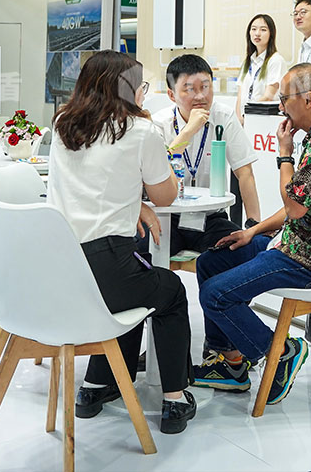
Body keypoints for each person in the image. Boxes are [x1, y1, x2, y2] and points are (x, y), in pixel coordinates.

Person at [193, 63, 311, 401]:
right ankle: (231, 362)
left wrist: (284, 154)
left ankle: (279, 351)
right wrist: (253, 232)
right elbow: (300, 204)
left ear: (308, 99)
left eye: (285, 99)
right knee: (211, 262)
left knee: (215, 295)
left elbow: (293, 206)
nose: (280, 107)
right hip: (296, 244)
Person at [47, 50, 197, 435]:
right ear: (128, 89)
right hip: (107, 267)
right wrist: (154, 189)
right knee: (168, 291)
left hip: (58, 269)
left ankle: (96, 385)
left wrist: (135, 204)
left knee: (136, 280)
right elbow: (166, 196)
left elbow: (86, 188)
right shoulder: (140, 130)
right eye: (140, 85)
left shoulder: (64, 124)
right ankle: (174, 398)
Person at [146, 55, 263, 258]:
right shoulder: (159, 124)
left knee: (243, 252)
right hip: (168, 216)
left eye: (205, 87)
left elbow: (244, 173)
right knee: (143, 252)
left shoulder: (224, 117)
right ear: (171, 95)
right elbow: (157, 170)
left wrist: (254, 227)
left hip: (211, 218)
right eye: (190, 89)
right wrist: (188, 131)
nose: (200, 96)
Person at [235, 14, 287, 124]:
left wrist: (248, 114)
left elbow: (268, 96)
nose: (257, 33)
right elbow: (240, 95)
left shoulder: (276, 60)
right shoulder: (247, 62)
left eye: (263, 30)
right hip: (245, 119)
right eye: (253, 29)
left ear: (271, 34)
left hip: (263, 119)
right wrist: (239, 118)